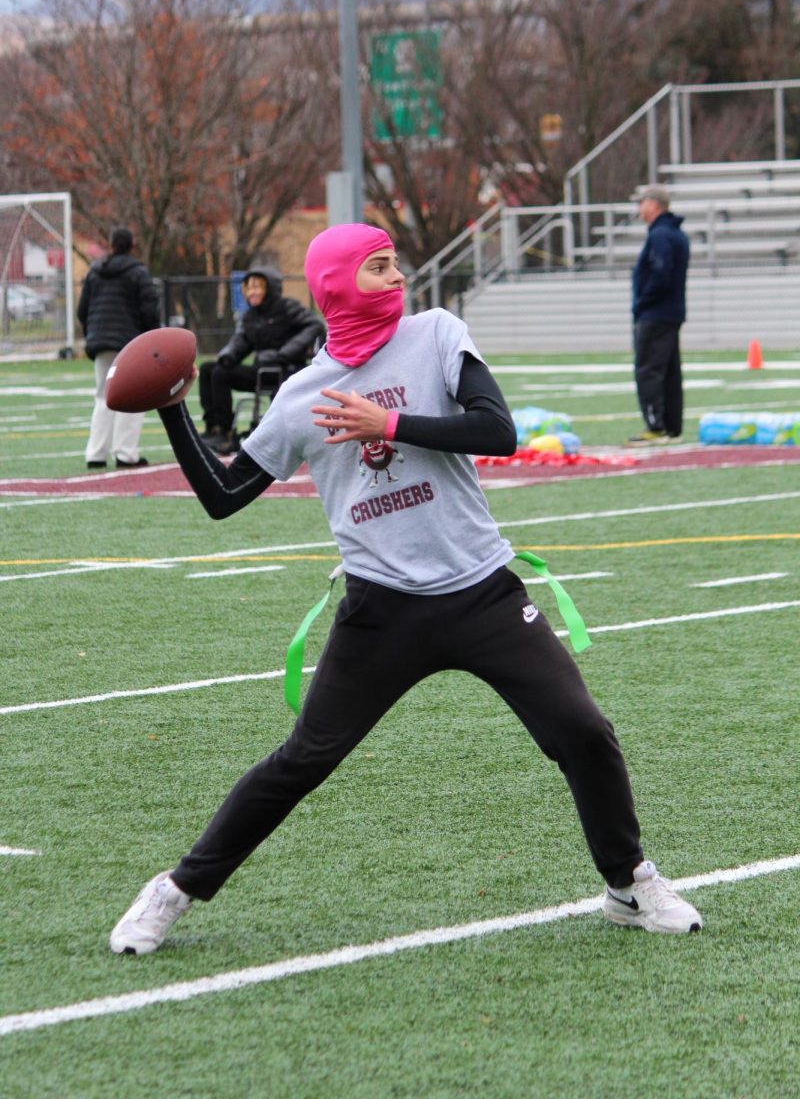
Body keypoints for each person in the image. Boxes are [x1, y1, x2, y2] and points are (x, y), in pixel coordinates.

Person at [110, 222, 702, 955]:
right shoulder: (300, 397)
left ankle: (629, 883)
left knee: (582, 729)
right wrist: (172, 409)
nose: (397, 278)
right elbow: (224, 496)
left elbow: (498, 430)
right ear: (334, 285)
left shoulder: (434, 334)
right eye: (378, 267)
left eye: (394, 264)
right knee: (302, 760)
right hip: (381, 609)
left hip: (480, 589)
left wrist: (386, 420)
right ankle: (173, 890)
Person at [199, 266, 325, 453]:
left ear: (270, 288)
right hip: (261, 370)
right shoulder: (250, 316)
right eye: (248, 288)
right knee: (209, 368)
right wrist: (227, 356)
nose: (252, 292)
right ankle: (214, 426)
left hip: (285, 370)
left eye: (257, 287)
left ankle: (225, 430)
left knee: (221, 375)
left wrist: (284, 353)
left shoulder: (287, 307)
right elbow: (240, 340)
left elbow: (315, 325)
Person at [77, 226, 161, 468]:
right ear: (132, 245)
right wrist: (152, 339)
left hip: (101, 342)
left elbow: (82, 310)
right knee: (133, 397)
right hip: (130, 344)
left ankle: (95, 454)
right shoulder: (138, 273)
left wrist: (92, 334)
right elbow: (149, 310)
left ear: (111, 244)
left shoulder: (94, 272)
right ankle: (125, 454)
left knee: (103, 396)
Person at [625, 183, 690, 447]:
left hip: (655, 313)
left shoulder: (661, 235)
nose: (639, 208)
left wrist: (642, 300)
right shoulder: (675, 233)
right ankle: (672, 426)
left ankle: (656, 425)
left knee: (648, 370)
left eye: (642, 202)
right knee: (669, 371)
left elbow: (660, 273)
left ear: (654, 204)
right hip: (670, 312)